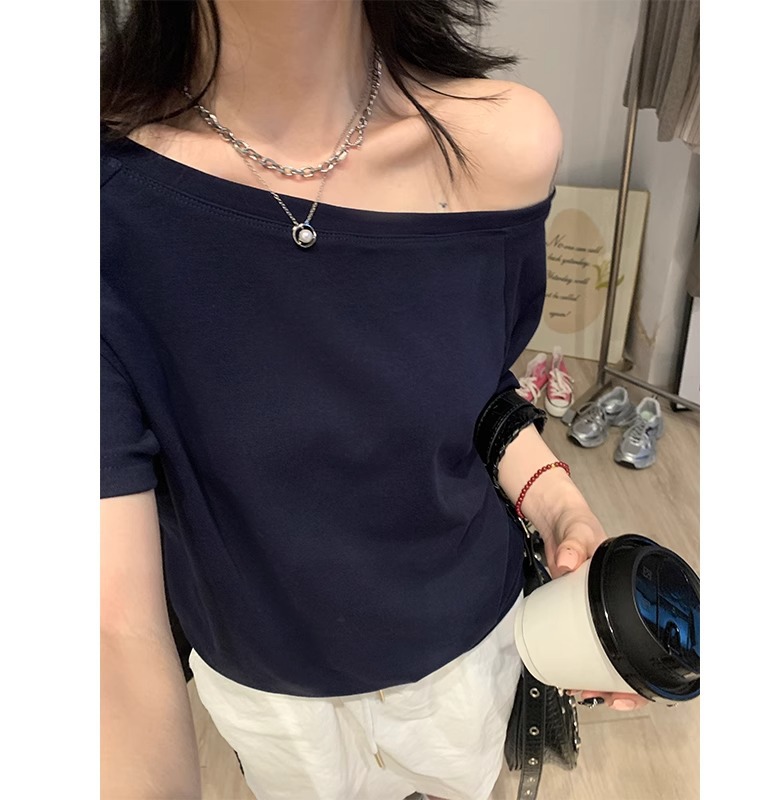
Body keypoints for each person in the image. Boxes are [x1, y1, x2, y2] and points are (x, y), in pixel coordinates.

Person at [99, 2, 647, 799]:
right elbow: (110, 628)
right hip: (273, 694)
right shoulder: (99, 207)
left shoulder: (501, 147)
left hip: (469, 652)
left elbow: (472, 391)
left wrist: (559, 506)